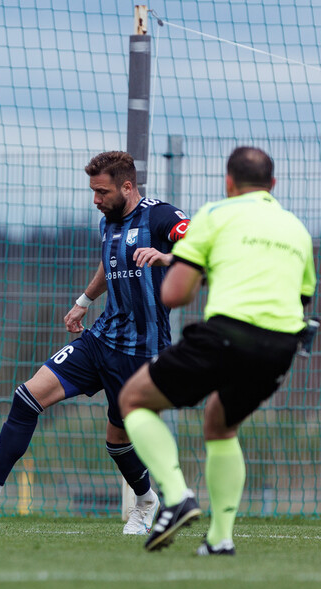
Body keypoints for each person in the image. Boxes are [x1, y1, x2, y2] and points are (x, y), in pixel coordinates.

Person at [0, 151, 190, 534]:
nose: (96, 199)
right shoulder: (108, 222)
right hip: (101, 339)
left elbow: (200, 242)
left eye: (102, 191)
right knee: (27, 397)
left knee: (117, 441)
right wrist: (83, 302)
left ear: (127, 187)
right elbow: (109, 261)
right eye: (93, 191)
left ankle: (147, 502)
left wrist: (165, 257)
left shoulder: (160, 216)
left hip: (141, 354)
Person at [119, 146, 316, 555]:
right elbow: (301, 299)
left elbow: (174, 294)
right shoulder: (296, 228)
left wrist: (198, 268)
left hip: (229, 334)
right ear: (273, 185)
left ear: (229, 182)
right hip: (281, 346)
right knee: (220, 424)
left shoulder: (215, 214)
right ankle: (220, 539)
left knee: (133, 399)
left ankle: (175, 497)